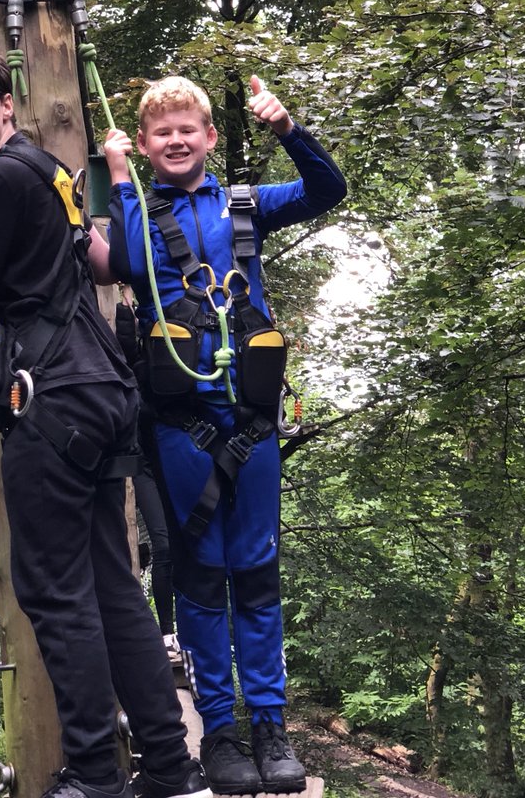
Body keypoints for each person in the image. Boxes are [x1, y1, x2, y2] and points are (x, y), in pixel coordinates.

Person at [0, 47, 210, 798]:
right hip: (101, 389)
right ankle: (169, 764)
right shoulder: (55, 171)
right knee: (113, 584)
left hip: (50, 394)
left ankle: (92, 772)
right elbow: (99, 263)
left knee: (55, 590)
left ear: (5, 101)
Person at [104, 76, 347, 796]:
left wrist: (286, 130)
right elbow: (123, 261)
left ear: (210, 137)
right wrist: (117, 176)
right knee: (203, 576)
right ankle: (220, 730)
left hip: (253, 423)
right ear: (146, 145)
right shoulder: (141, 211)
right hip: (184, 426)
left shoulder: (244, 206)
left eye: (189, 129)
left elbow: (326, 190)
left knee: (257, 570)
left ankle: (270, 724)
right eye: (162, 133)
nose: (176, 141)